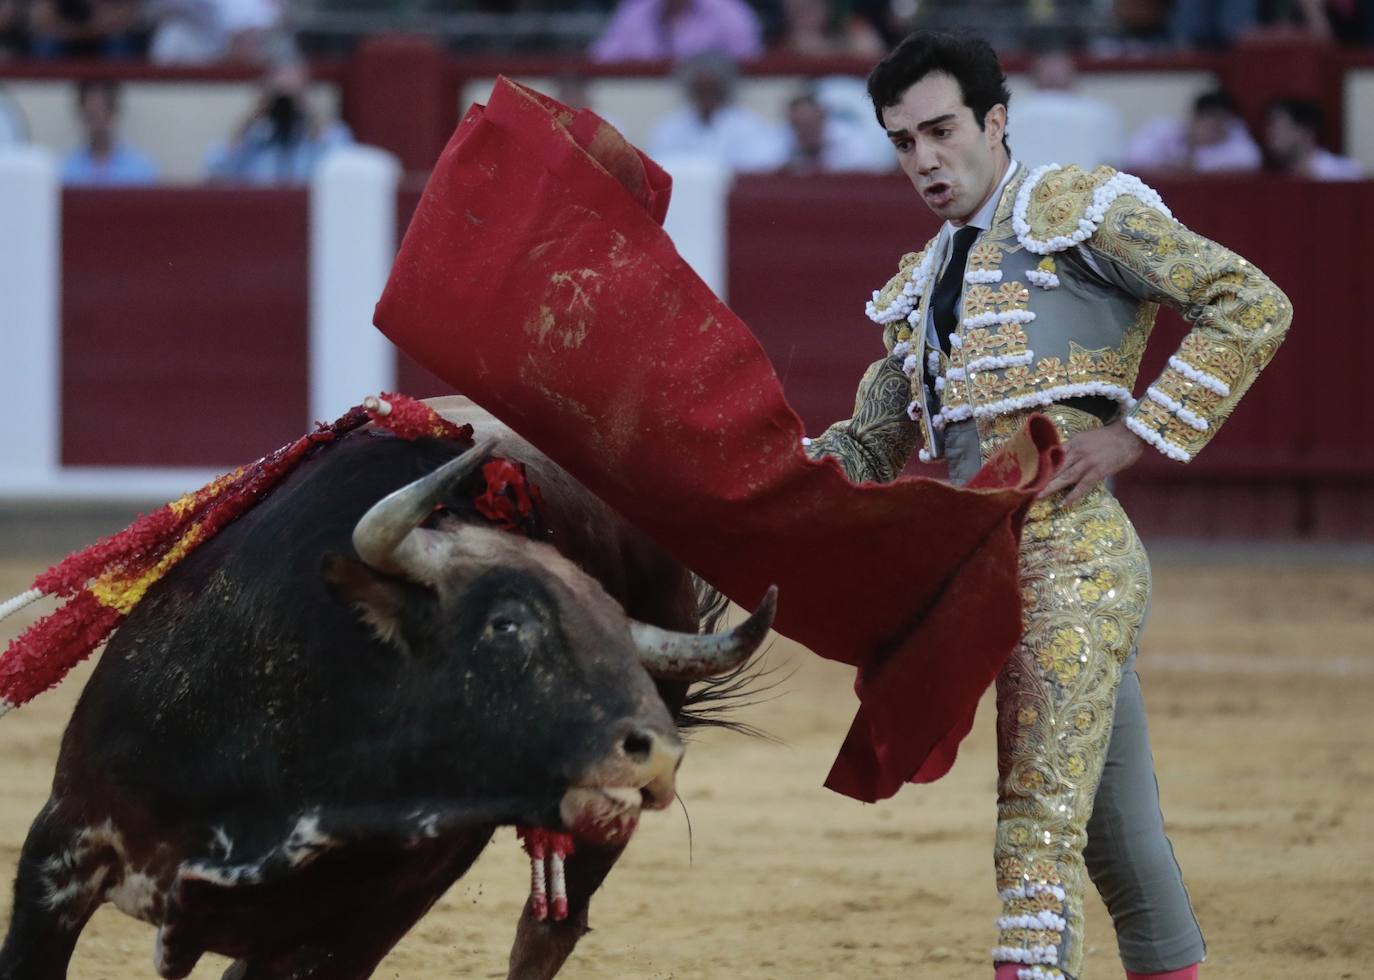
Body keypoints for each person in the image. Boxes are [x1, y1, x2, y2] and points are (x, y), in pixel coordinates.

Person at [804, 30, 1290, 980]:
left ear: (995, 120)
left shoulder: (1078, 211)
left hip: (1074, 560)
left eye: (941, 131)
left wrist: (1137, 434)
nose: (924, 161)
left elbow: (1249, 299)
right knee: (1118, 838)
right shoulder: (918, 284)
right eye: (903, 142)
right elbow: (866, 446)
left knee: (1033, 827)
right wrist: (749, 475)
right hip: (986, 576)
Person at [204, 61, 351, 185]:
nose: (286, 103)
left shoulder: (328, 135)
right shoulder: (256, 136)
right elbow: (216, 171)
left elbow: (344, 171)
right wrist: (252, 117)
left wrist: (311, 116)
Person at [646, 52, 786, 173]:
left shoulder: (750, 125)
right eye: (701, 90)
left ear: (725, 89)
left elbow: (762, 165)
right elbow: (660, 169)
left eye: (713, 90)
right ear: (690, 90)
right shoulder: (670, 127)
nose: (707, 97)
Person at [1010, 45, 1126, 171]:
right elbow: (1113, 165)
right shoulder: (1102, 113)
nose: (1054, 73)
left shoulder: (1012, 113)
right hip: (1085, 188)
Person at [1124, 89, 1261, 173]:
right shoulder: (1162, 129)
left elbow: (1249, 162)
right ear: (1195, 117)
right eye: (1208, 118)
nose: (1213, 126)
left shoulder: (1238, 146)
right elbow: (1133, 159)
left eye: (1220, 119)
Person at [589, 0, 763, 63]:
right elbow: (600, 58)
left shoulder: (730, 12)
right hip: (645, 107)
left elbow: (750, 62)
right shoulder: (635, 11)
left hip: (713, 110)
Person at [60, 79, 158, 186]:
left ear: (113, 112)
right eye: (91, 114)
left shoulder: (140, 171)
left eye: (100, 111)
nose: (96, 121)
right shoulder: (66, 171)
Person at [1264, 96, 1366, 180]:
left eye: (1280, 127)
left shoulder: (1345, 174)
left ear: (1306, 131)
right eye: (1270, 126)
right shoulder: (1278, 178)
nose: (1271, 134)